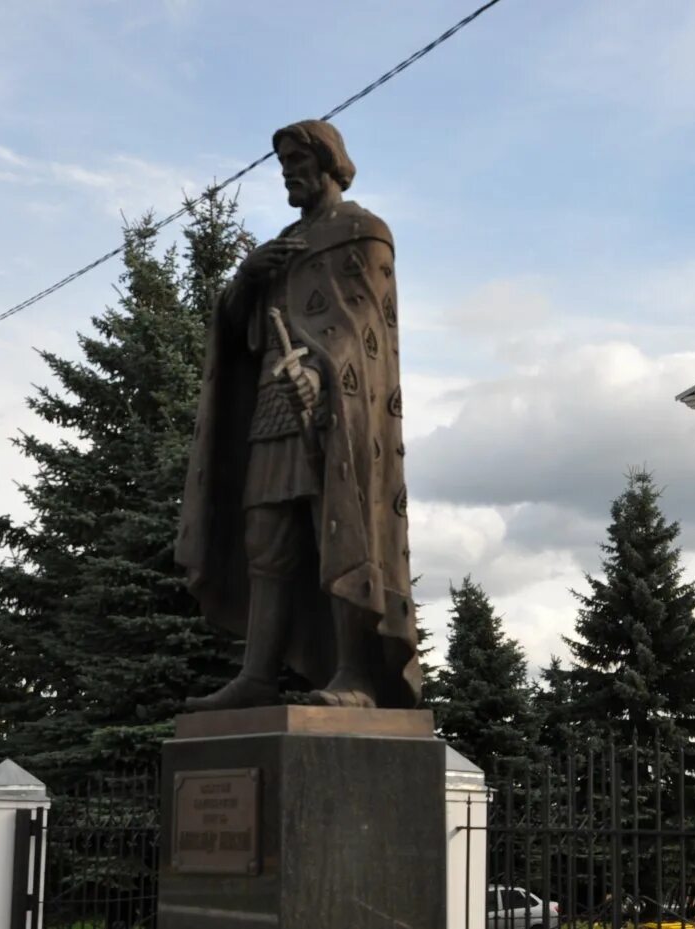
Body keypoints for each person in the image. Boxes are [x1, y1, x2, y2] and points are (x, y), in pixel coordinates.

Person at [176, 119, 420, 711]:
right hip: (271, 405)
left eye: (296, 159)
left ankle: (356, 675)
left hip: (336, 413)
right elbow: (242, 334)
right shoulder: (281, 247)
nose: (288, 170)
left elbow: (364, 324)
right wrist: (243, 281)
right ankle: (257, 674)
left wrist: (319, 374)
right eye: (281, 161)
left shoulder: (364, 233)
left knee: (337, 528)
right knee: (267, 539)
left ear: (329, 161)